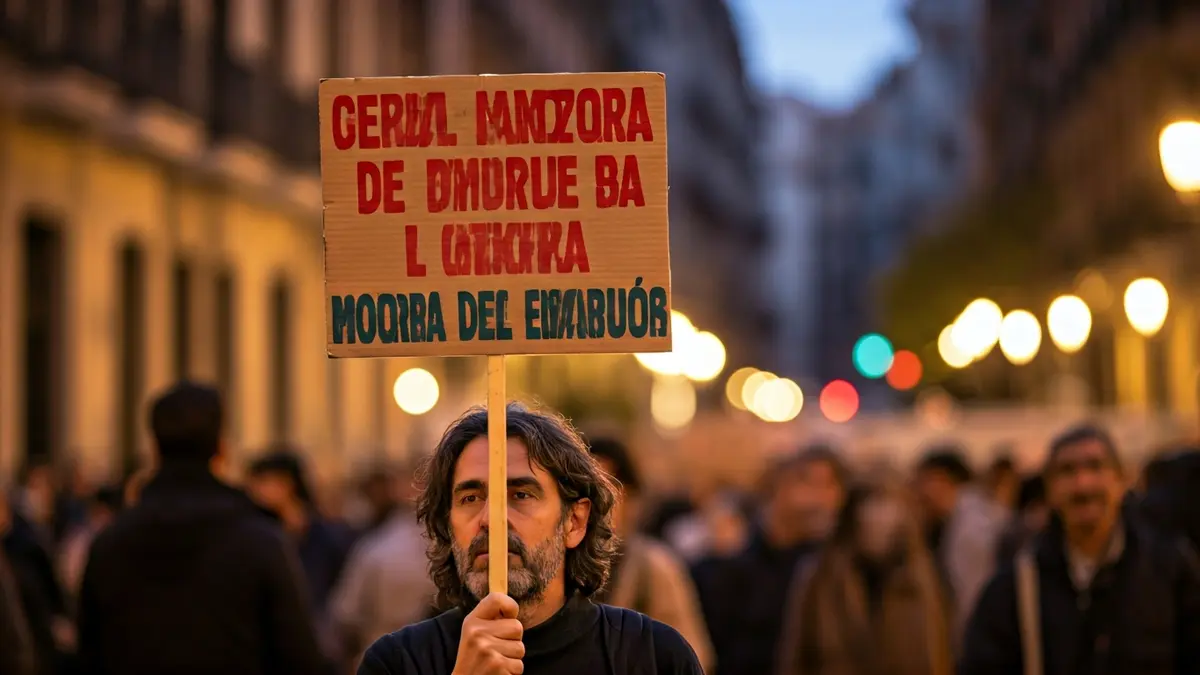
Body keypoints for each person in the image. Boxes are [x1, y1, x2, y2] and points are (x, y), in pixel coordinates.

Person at [357, 403, 702, 675]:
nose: (491, 519)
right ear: (447, 525)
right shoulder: (397, 663)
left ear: (575, 522)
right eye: (470, 498)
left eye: (521, 495)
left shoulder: (653, 657)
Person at [77, 382, 329, 675]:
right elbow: (299, 655)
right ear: (220, 448)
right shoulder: (259, 540)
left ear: (155, 448)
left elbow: (89, 653)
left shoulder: (109, 544)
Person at [959, 424, 1200, 675]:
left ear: (1121, 480)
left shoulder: (1169, 569)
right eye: (1067, 471)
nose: (1082, 484)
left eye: (1095, 467)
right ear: (1050, 489)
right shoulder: (1017, 585)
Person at [692, 445, 847, 675]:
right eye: (811, 483)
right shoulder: (729, 562)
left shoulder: (832, 565)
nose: (821, 499)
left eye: (831, 486)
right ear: (780, 487)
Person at [778, 478, 953, 675]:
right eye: (871, 504)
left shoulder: (923, 578)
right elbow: (795, 654)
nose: (878, 517)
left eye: (887, 505)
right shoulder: (821, 574)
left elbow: (938, 655)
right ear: (854, 514)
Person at [588, 437, 715, 672]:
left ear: (630, 497)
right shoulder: (555, 565)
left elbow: (692, 654)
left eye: (606, 491)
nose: (596, 505)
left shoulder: (654, 567)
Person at [913, 446, 1005, 635]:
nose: (919, 492)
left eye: (923, 482)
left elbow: (972, 597)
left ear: (940, 479)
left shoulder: (971, 528)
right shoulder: (970, 516)